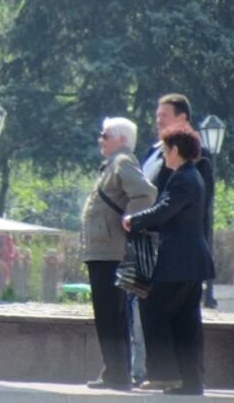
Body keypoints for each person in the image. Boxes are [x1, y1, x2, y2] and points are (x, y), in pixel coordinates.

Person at [124, 125, 216, 396]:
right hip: (191, 262)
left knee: (152, 306)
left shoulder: (182, 179)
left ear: (176, 150)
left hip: (178, 261)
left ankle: (164, 374)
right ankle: (189, 381)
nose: (164, 157)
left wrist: (135, 220)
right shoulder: (193, 176)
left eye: (166, 151)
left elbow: (166, 210)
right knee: (185, 321)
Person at [81, 118, 156, 391]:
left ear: (122, 139)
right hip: (104, 250)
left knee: (111, 314)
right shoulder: (113, 164)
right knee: (108, 315)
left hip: (110, 251)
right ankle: (114, 371)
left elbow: (146, 193)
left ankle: (118, 373)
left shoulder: (123, 162)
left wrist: (130, 218)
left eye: (105, 135)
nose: (101, 139)